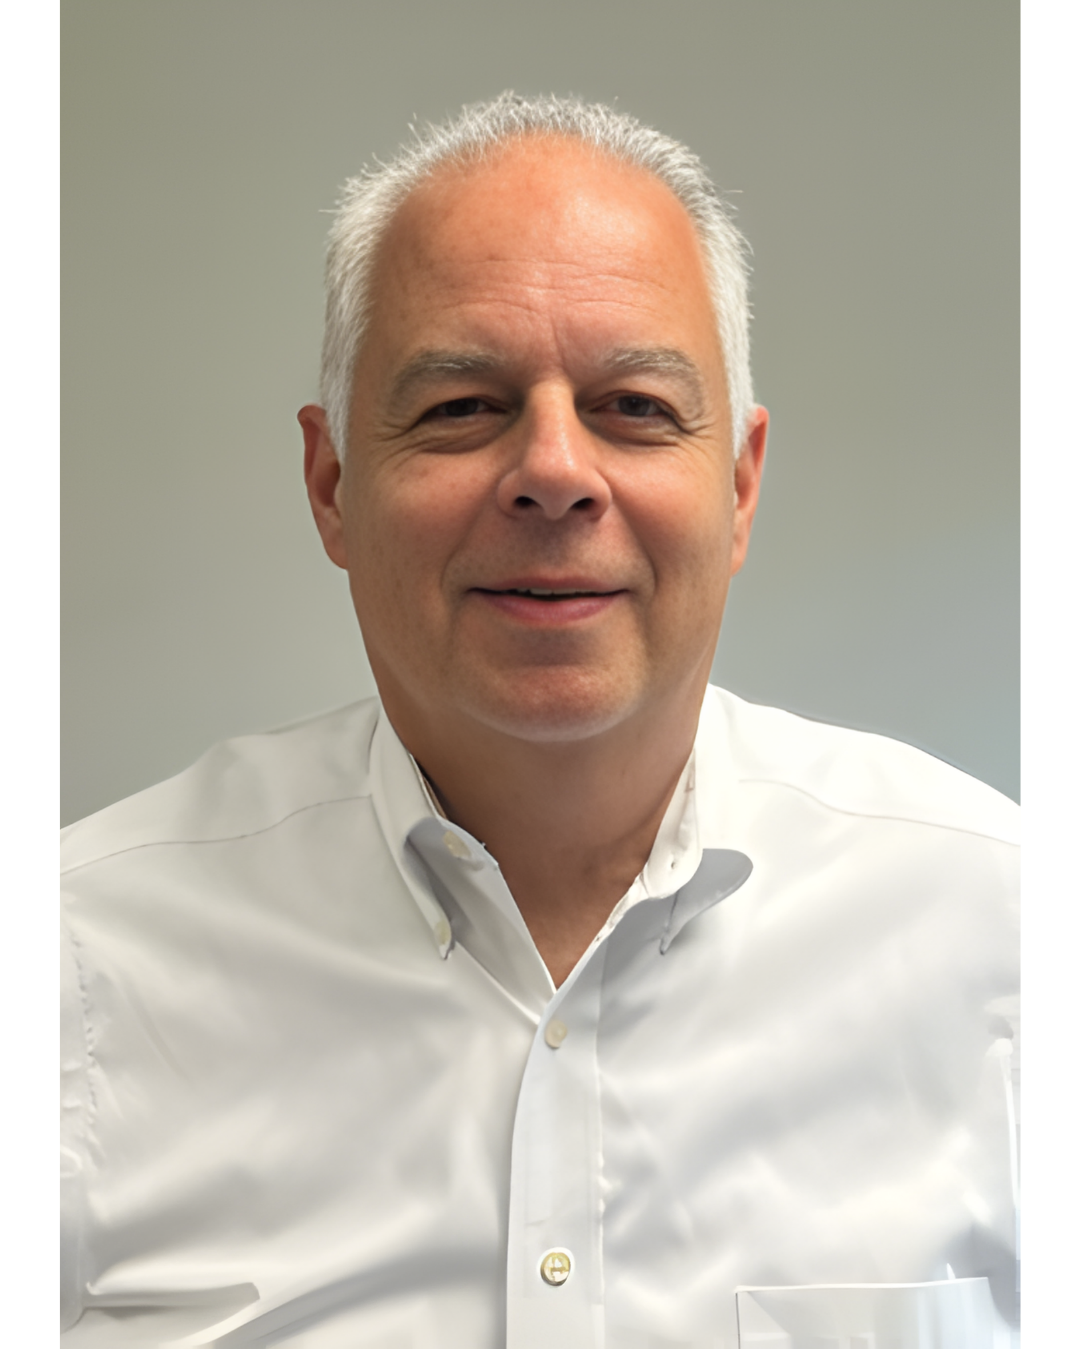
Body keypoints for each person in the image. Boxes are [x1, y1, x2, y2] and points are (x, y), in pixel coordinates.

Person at [59, 94, 1019, 1349]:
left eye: (633, 406)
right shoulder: (90, 963)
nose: (555, 473)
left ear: (739, 485)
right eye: (462, 407)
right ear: (332, 483)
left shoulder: (992, 931)